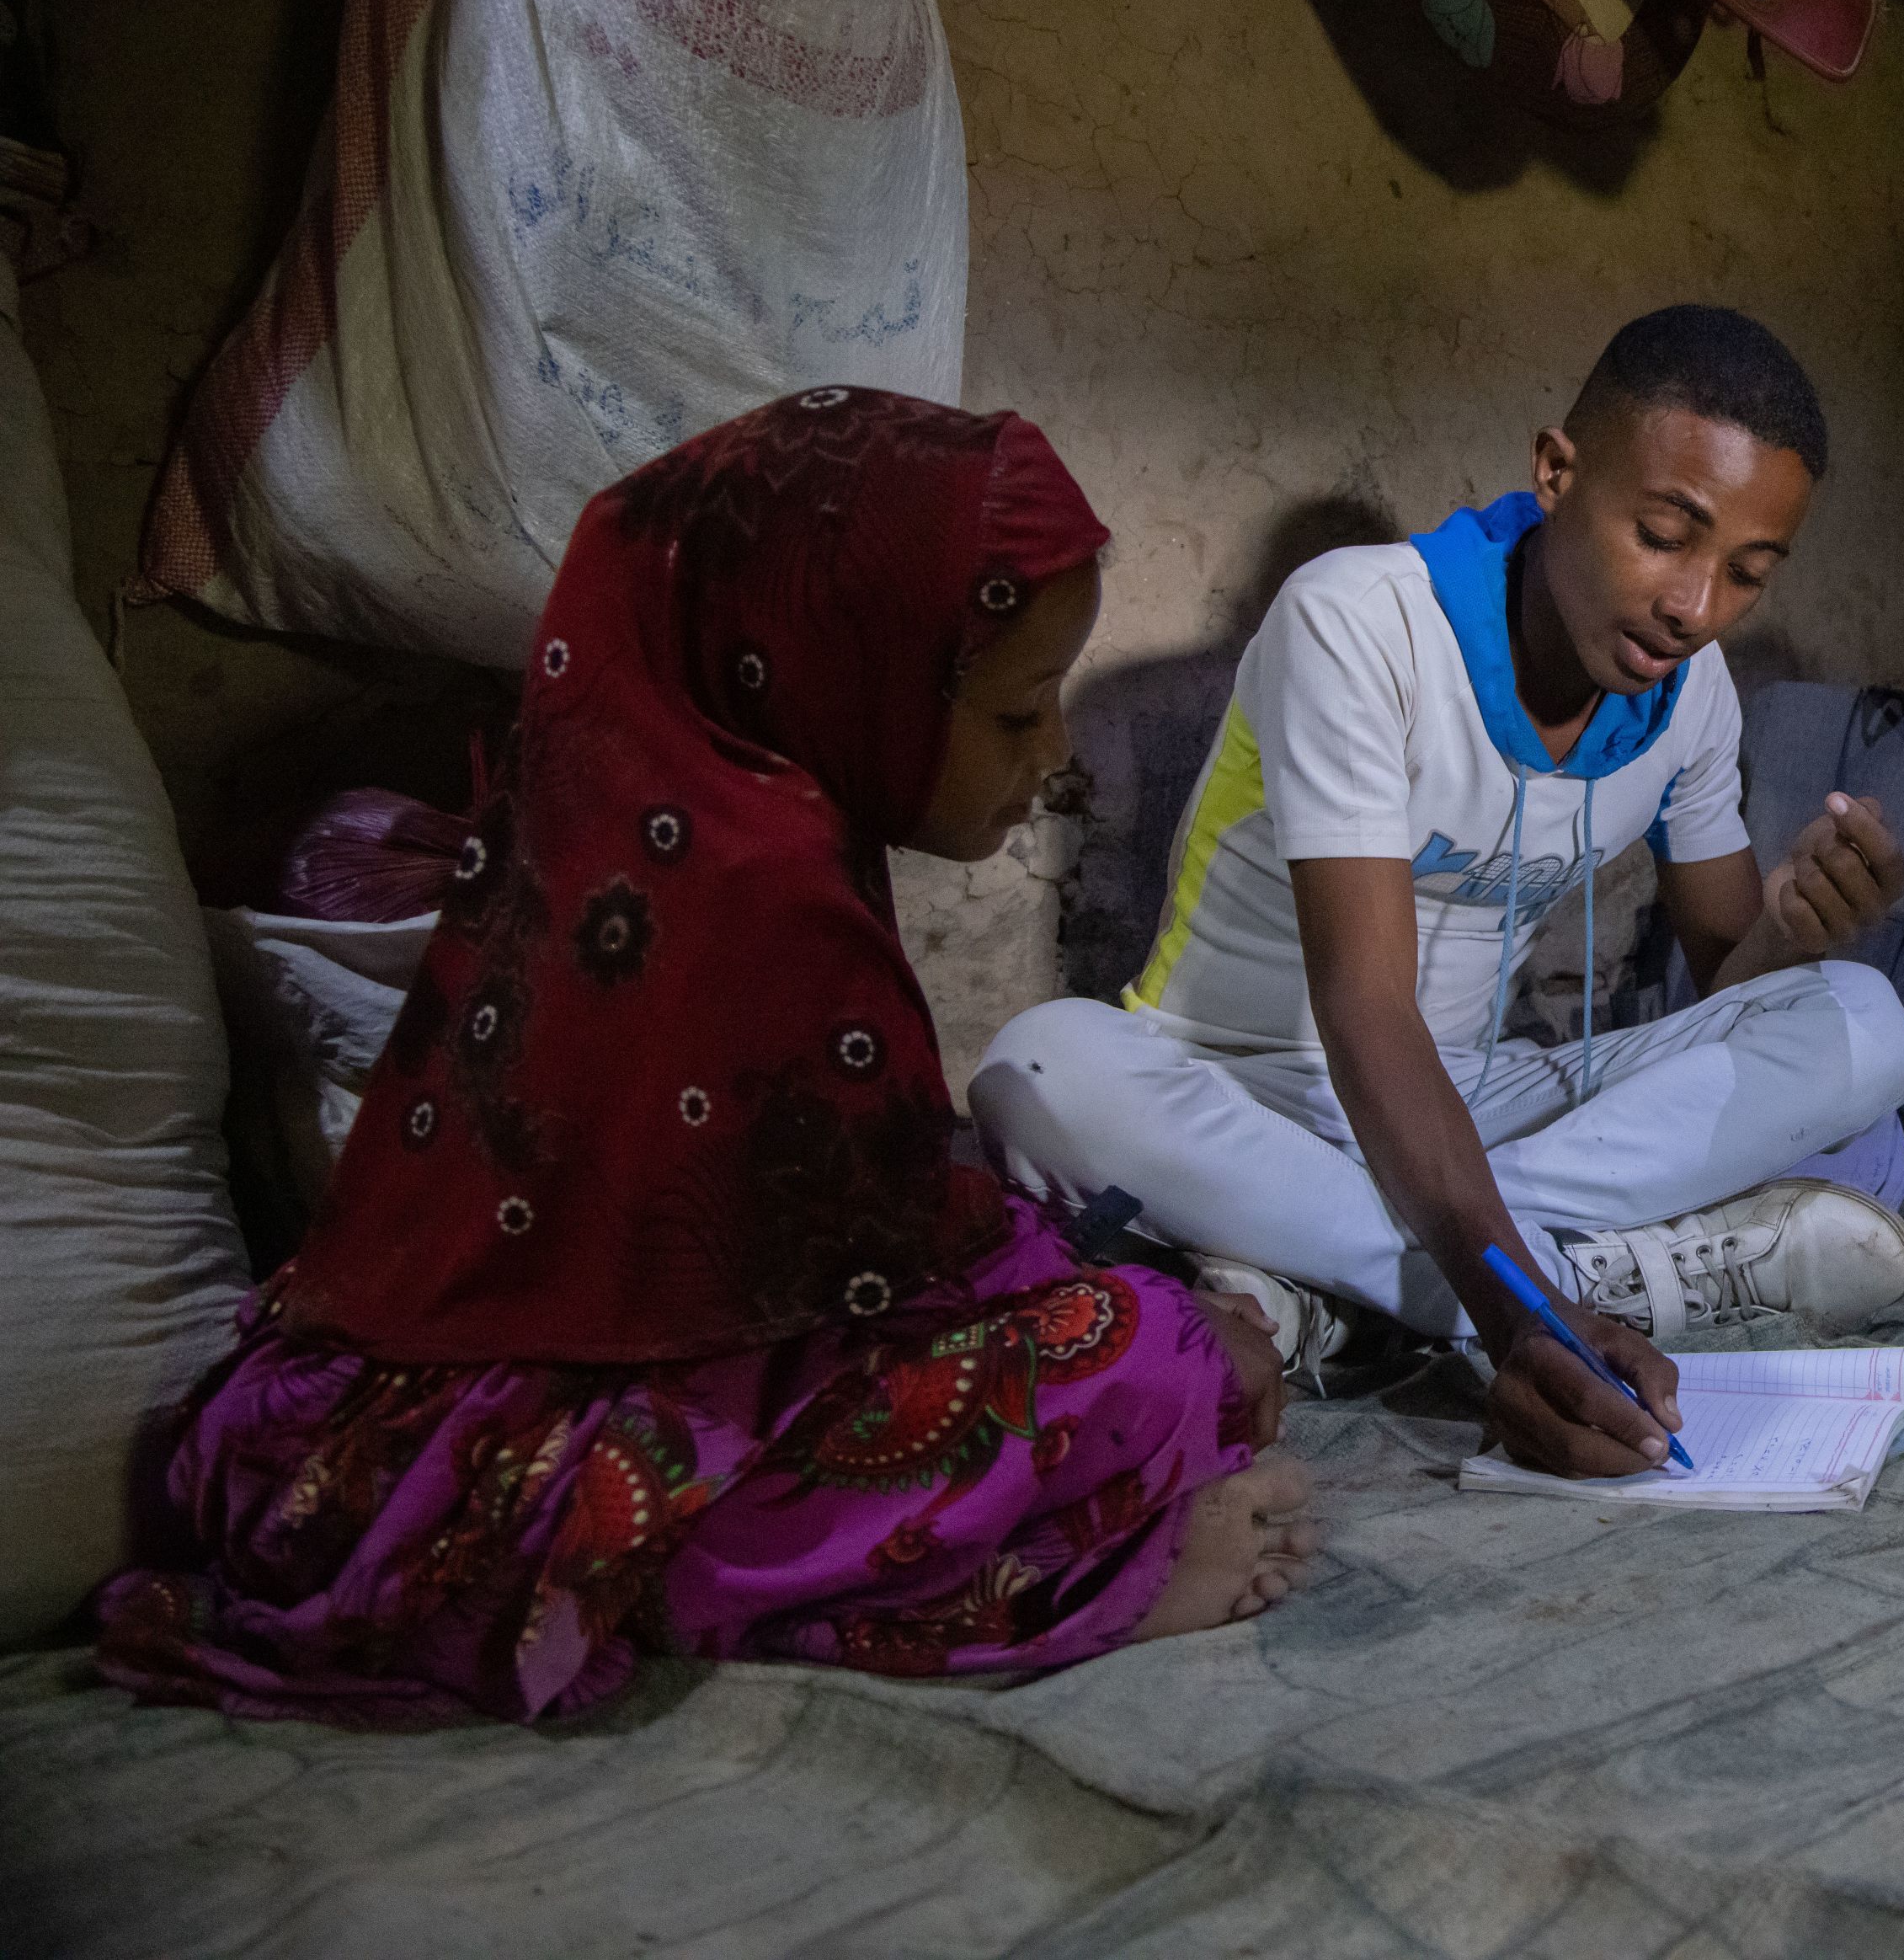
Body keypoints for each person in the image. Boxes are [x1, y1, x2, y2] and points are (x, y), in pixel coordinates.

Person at [96, 389, 1317, 1728]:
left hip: (332, 1447)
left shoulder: (619, 804)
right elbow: (891, 1267)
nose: (1058, 759)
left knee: (1111, 1307)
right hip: (549, 1466)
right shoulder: (768, 891)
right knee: (1145, 1356)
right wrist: (1165, 1323)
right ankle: (1052, 1583)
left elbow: (828, 1233)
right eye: (1023, 715)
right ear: (845, 671)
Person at [972, 307, 1904, 1482]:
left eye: (1746, 572)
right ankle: (1589, 1278)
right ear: (1556, 470)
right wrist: (1516, 1310)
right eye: (1666, 535)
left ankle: (1335, 1284)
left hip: (1474, 1108)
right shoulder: (1360, 623)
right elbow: (1365, 1010)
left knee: (1864, 1026)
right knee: (1037, 1068)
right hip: (1235, 1089)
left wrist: (1796, 922)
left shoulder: (1694, 694)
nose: (1695, 605)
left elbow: (1726, 983)